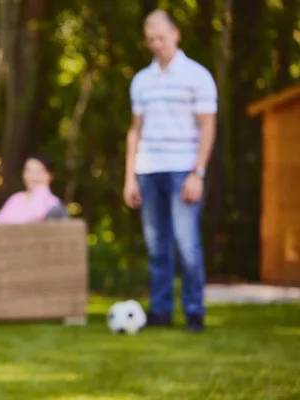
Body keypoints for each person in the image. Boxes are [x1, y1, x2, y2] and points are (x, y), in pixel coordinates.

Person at [123, 10, 217, 333]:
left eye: (161, 38)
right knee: (156, 245)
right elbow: (134, 131)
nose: (156, 44)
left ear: (176, 34)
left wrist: (198, 173)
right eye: (150, 39)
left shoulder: (198, 76)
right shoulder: (141, 81)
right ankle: (161, 312)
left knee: (187, 242)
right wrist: (130, 177)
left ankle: (194, 312)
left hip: (183, 170)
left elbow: (207, 127)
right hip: (149, 170)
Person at [0, 153, 67, 224]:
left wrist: (41, 192)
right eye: (29, 170)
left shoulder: (55, 206)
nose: (33, 176)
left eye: (39, 171)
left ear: (50, 175)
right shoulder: (15, 199)